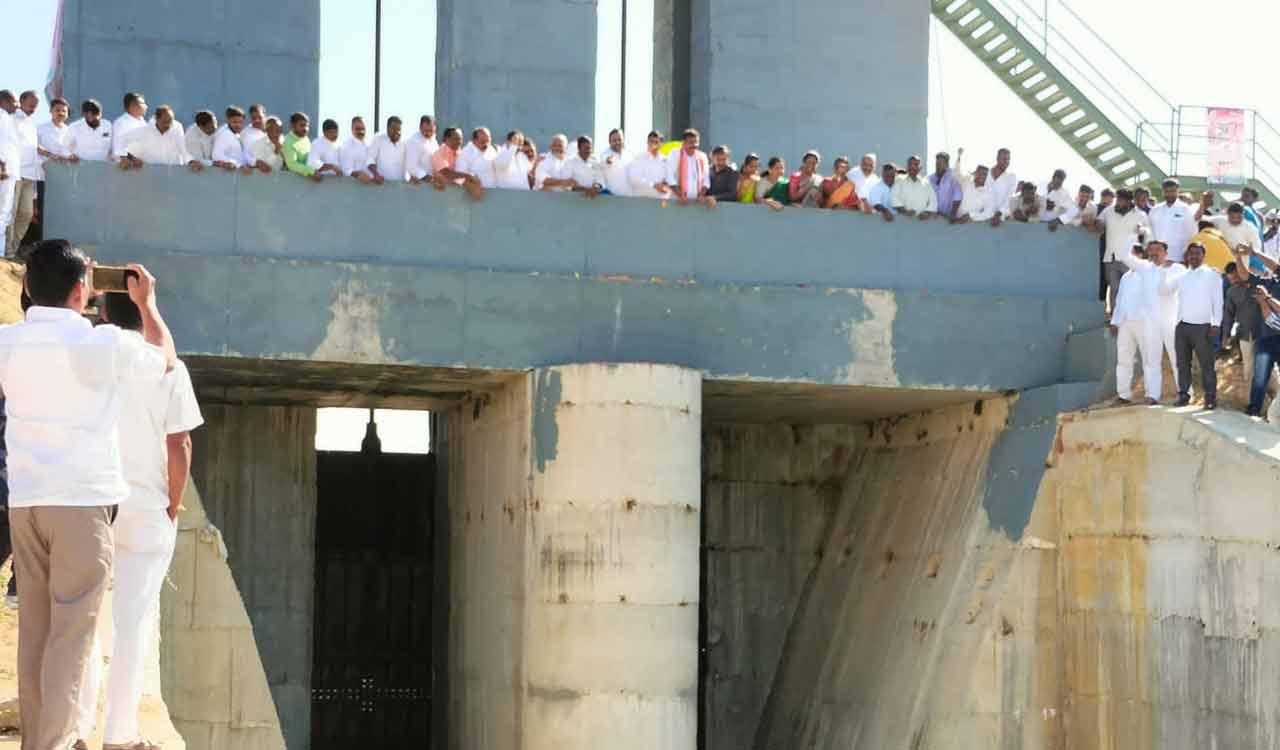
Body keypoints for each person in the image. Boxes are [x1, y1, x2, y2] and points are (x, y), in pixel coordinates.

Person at [0, 239, 175, 750]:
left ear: (27, 287)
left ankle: (41, 739)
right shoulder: (104, 343)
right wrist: (147, 306)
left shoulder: (9, 341)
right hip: (81, 503)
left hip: (26, 501)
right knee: (73, 633)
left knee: (36, 629)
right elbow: (163, 358)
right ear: (85, 290)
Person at [73, 291, 203, 750]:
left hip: (93, 504)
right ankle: (120, 735)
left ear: (103, 313)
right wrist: (173, 502)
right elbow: (180, 443)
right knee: (133, 625)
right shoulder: (167, 368)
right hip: (147, 510)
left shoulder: (92, 361)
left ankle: (75, 732)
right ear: (146, 311)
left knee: (84, 620)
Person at [1160, 242, 1223, 409]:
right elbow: (1164, 290)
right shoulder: (1182, 276)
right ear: (1187, 256)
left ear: (1203, 255)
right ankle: (1183, 395)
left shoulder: (1212, 275)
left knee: (1206, 364)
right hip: (1182, 326)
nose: (1193, 256)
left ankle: (1210, 398)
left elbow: (1218, 301)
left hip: (1204, 327)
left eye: (1197, 253)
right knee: (1182, 364)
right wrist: (1162, 268)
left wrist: (1216, 323)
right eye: (1191, 253)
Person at [1110, 243, 1163, 405]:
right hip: (1125, 322)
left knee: (1150, 360)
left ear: (1140, 255)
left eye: (1133, 254)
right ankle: (1123, 394)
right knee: (1123, 359)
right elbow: (1120, 301)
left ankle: (1152, 395)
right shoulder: (1126, 276)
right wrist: (1115, 322)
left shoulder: (1149, 270)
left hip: (1144, 322)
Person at [1098, 188, 1150, 316]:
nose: (1118, 203)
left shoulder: (1140, 215)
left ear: (1129, 201)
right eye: (1117, 199)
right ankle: (1115, 319)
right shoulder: (1109, 211)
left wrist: (1142, 231)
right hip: (1111, 258)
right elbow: (1099, 222)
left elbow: (1149, 234)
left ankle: (1130, 316)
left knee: (1130, 289)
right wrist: (1097, 224)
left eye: (1121, 200)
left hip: (1130, 260)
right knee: (1115, 289)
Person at [1222, 261, 1270, 399]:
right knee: (1248, 370)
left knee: (1269, 369)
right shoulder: (1231, 292)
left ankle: (1274, 399)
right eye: (1230, 280)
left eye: (1236, 278)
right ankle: (1253, 403)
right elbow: (1228, 315)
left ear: (1242, 272)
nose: (1234, 282)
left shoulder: (1259, 287)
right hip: (1245, 335)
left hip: (1265, 334)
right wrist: (1225, 336)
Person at [118, 105, 203, 171]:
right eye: (165, 122)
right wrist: (130, 158)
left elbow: (183, 150)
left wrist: (192, 161)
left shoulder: (177, 127)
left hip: (173, 174)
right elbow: (121, 141)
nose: (168, 125)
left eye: (170, 121)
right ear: (157, 119)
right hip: (150, 175)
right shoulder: (145, 130)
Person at [8, 91, 40, 257]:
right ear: (21, 101)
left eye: (36, 104)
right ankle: (7, 251)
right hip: (16, 173)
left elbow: (33, 150)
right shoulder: (11, 119)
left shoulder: (32, 124)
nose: (34, 107)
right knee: (11, 213)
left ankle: (12, 248)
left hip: (30, 175)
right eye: (31, 103)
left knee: (26, 214)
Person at [1146, 178, 1197, 262]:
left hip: (1178, 258)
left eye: (1173, 191)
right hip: (1156, 258)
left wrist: (1186, 254)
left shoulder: (1186, 210)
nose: (1170, 194)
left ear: (1178, 191)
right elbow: (1150, 233)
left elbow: (1192, 233)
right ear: (1163, 191)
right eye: (1167, 191)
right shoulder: (1155, 210)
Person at [665, 129, 710, 206]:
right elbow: (669, 176)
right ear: (684, 143)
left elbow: (706, 180)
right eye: (691, 142)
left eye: (696, 142)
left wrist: (701, 195)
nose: (694, 145)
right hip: (677, 200)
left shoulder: (702, 156)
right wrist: (680, 194)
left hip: (696, 202)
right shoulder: (675, 153)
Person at [37, 97, 77, 176]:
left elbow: (73, 152)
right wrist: (51, 155)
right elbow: (34, 147)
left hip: (65, 173)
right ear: (51, 111)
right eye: (57, 110)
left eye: (64, 111)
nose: (61, 113)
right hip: (44, 173)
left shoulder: (71, 131)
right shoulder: (40, 128)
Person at [626, 131, 669, 200]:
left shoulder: (666, 160)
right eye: (651, 142)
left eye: (656, 142)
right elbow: (634, 180)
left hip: (660, 202)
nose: (653, 144)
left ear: (661, 144)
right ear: (647, 142)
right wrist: (654, 185)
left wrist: (665, 184)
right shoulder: (638, 158)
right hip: (641, 202)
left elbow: (671, 180)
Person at [454, 127, 497, 197]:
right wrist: (471, 185)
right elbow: (459, 177)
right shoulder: (466, 153)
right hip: (472, 198)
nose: (486, 145)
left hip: (494, 194)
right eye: (483, 142)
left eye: (488, 141)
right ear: (474, 140)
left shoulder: (491, 150)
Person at [0, 94, 19, 249]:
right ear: (3, 102)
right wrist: (2, 166)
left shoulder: (7, 118)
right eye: (14, 101)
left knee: (4, 214)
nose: (17, 105)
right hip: (3, 171)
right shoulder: (1, 116)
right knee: (2, 212)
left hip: (9, 171)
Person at [891, 155, 936, 219]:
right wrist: (905, 211)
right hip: (903, 221)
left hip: (921, 222)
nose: (912, 167)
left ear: (920, 168)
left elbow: (933, 201)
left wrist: (927, 213)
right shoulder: (899, 180)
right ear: (906, 167)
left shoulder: (926, 183)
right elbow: (893, 198)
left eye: (915, 164)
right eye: (910, 164)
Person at [367, 116, 408, 184]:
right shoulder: (378, 139)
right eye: (394, 129)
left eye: (399, 129)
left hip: (400, 187)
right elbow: (370, 159)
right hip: (383, 186)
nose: (397, 132)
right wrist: (376, 174)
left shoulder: (404, 143)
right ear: (387, 128)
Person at [282, 112, 322, 181]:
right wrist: (311, 171)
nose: (306, 129)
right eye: (302, 125)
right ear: (293, 125)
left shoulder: (306, 140)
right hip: (290, 183)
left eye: (307, 126)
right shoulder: (287, 141)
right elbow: (292, 165)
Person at [110, 92, 148, 160]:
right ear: (133, 105)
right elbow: (118, 148)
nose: (146, 106)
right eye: (143, 103)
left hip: (141, 165)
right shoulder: (121, 123)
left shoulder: (144, 123)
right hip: (127, 167)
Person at [928, 152, 962, 220]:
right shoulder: (929, 178)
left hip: (946, 218)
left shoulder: (953, 177)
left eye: (941, 164)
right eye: (937, 163)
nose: (938, 166)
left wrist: (953, 214)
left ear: (947, 164)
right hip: (932, 216)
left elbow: (958, 195)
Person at [405, 115, 439, 185]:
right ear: (420, 128)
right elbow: (411, 166)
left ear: (435, 128)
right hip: (420, 183)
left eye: (431, 131)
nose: (428, 133)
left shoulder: (434, 141)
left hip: (433, 182)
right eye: (425, 130)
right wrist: (425, 177)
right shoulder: (414, 141)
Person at [987, 147, 1016, 226]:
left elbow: (1009, 198)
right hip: (982, 217)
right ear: (997, 158)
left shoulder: (1011, 177)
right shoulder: (986, 174)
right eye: (1004, 159)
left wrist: (999, 214)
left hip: (1000, 219)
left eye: (1008, 159)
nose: (1007, 162)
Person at [341, 116, 373, 182]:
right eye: (358, 129)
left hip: (370, 186)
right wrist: (359, 174)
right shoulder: (347, 145)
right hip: (353, 186)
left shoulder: (369, 144)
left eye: (363, 128)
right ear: (352, 129)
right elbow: (346, 170)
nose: (361, 131)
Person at [599, 129, 631, 196]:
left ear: (623, 140)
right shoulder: (605, 154)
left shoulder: (629, 154)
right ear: (609, 141)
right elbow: (604, 160)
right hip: (611, 198)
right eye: (614, 140)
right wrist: (607, 161)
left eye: (619, 139)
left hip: (627, 197)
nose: (617, 142)